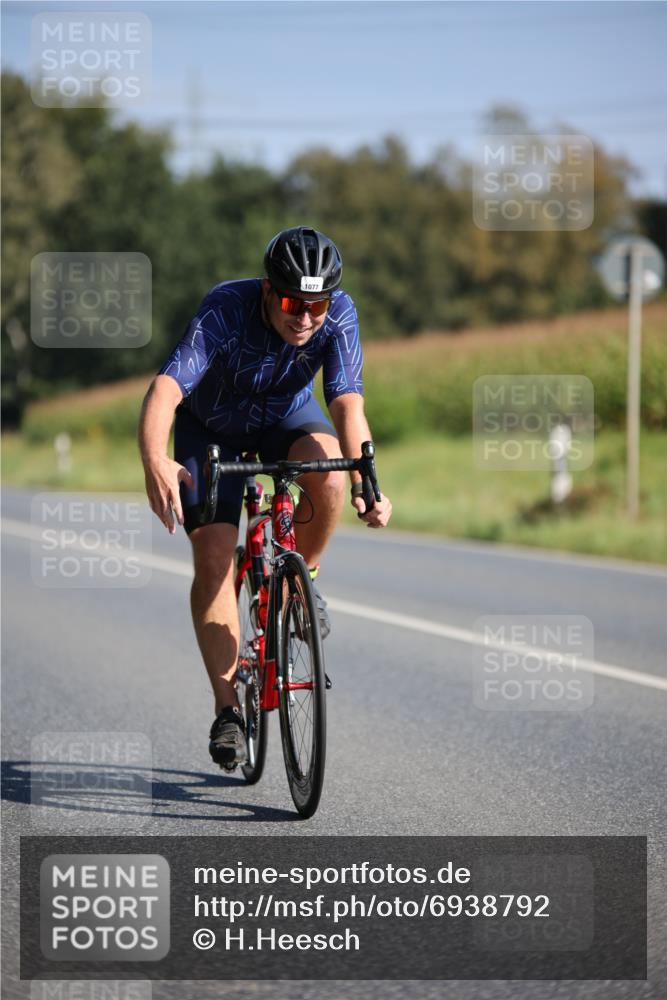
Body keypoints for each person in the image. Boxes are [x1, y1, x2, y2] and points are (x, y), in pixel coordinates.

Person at [138, 226, 392, 770]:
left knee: (330, 473)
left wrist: (366, 480)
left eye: (317, 305)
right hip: (211, 429)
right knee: (214, 555)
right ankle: (228, 709)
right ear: (266, 290)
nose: (305, 317)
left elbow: (346, 403)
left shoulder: (340, 315)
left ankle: (305, 581)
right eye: (292, 303)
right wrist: (155, 458)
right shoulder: (226, 308)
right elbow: (166, 389)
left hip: (285, 419)